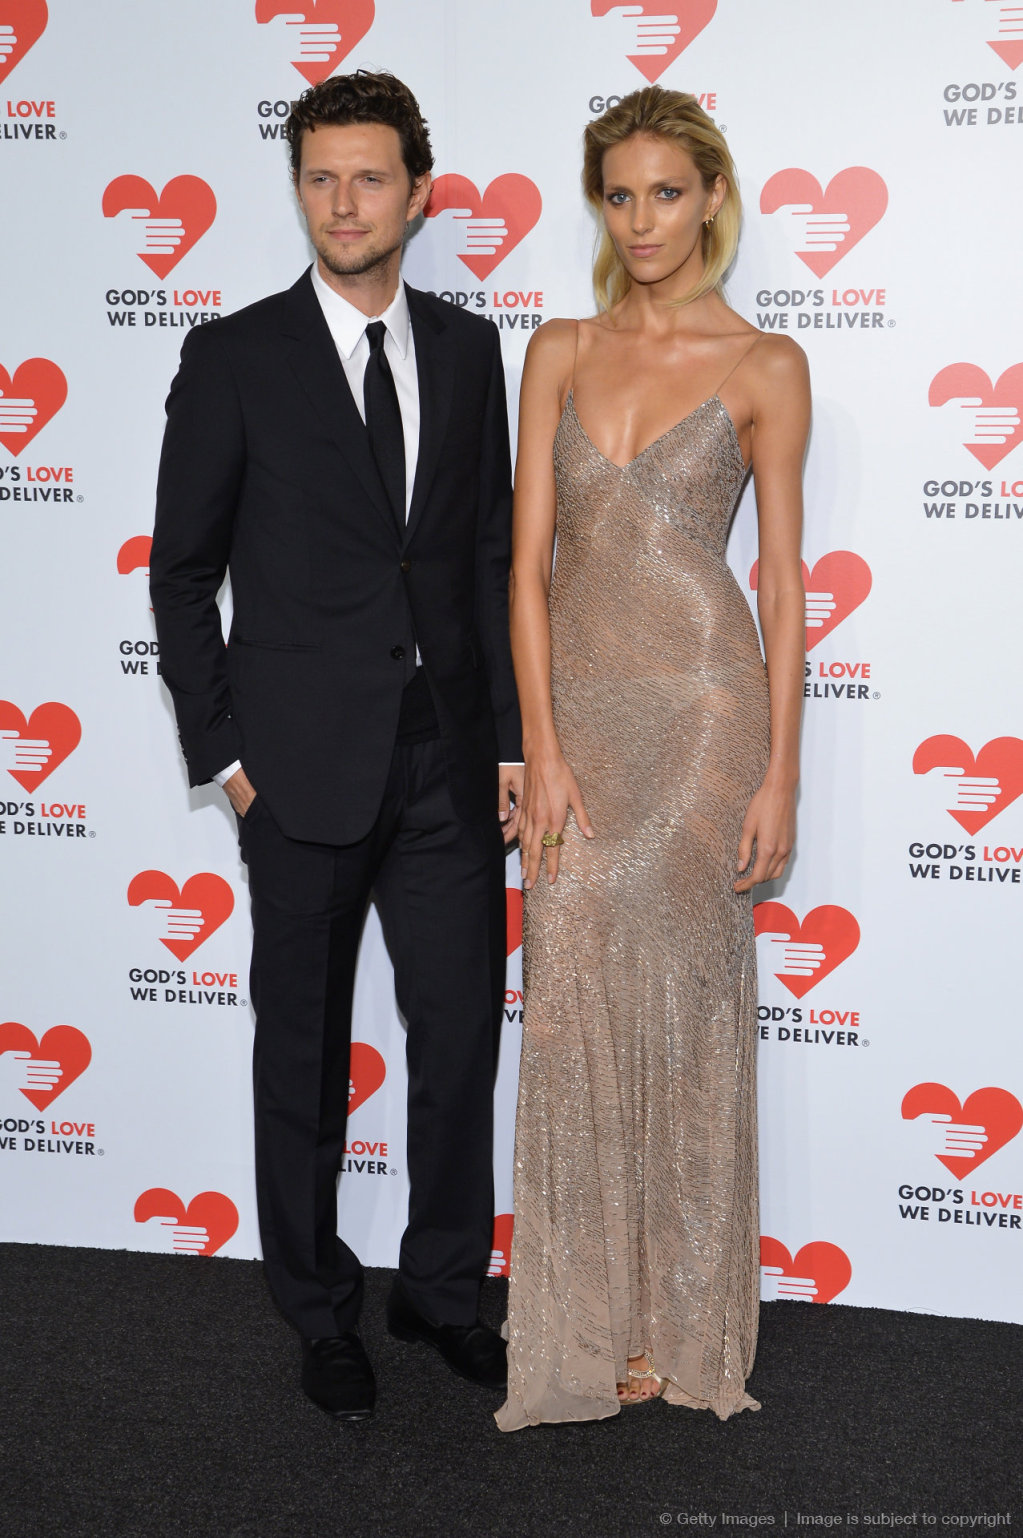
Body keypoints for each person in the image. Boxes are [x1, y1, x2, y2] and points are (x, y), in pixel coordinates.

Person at [150, 71, 523, 1422]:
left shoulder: (472, 350)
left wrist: (511, 741)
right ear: (299, 188)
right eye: (321, 178)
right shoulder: (235, 356)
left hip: (449, 763)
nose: (344, 202)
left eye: (369, 178)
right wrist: (226, 757)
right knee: (302, 1055)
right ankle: (318, 1307)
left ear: (417, 195)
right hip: (296, 769)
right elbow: (181, 573)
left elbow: (487, 557)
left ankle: (443, 1289)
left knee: (460, 1042)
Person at [496, 86, 809, 1430]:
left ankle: (680, 1326)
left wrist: (782, 770)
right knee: (571, 999)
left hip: (701, 716)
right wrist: (539, 743)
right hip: (579, 721)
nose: (643, 221)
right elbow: (525, 568)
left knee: (682, 1010)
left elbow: (782, 585)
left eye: (667, 194)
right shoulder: (558, 348)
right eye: (619, 196)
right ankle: (588, 1322)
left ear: (712, 198)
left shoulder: (766, 364)